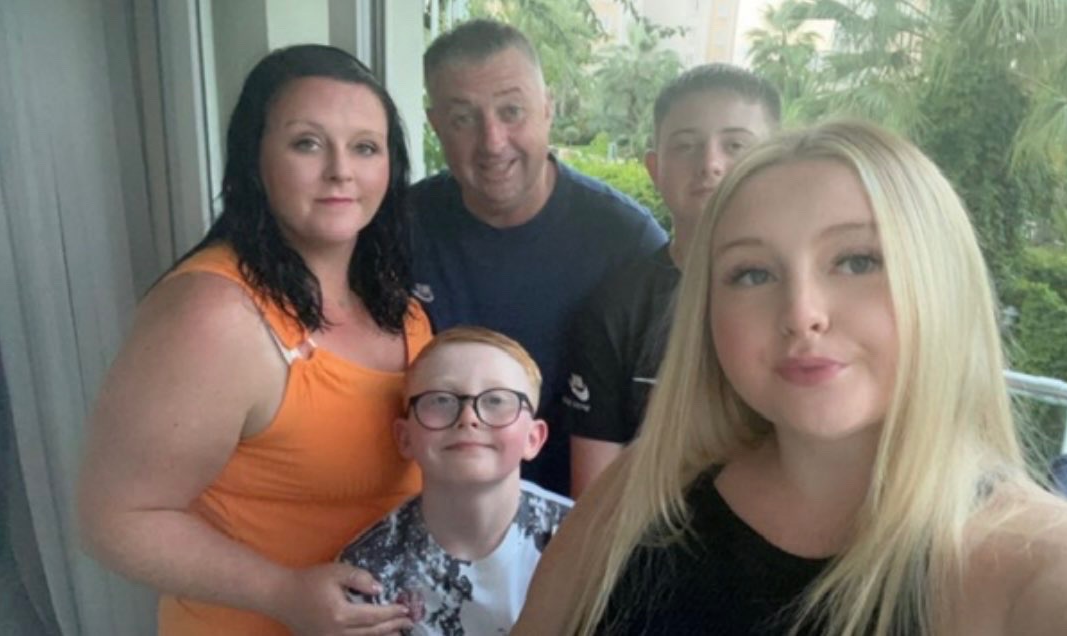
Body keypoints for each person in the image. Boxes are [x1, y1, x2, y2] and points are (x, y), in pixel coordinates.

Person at [513, 120, 1067, 635]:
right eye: (752, 273)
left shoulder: (1030, 567)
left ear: (941, 285)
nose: (801, 313)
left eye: (857, 261)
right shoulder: (642, 494)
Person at [78, 45, 431, 636]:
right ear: (255, 160)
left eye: (365, 147)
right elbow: (112, 519)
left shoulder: (402, 307)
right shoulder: (214, 314)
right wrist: (282, 593)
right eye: (307, 143)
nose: (341, 170)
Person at [410, 19, 668, 496]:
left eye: (512, 111)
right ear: (435, 125)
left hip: (582, 509)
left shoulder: (627, 241)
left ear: (547, 108)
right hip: (430, 507)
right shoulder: (399, 228)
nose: (492, 141)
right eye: (463, 118)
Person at [562, 64, 781, 497]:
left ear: (775, 162)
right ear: (654, 167)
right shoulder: (615, 309)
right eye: (685, 145)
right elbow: (593, 495)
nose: (710, 164)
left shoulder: (806, 300)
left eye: (735, 144)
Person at [339, 326, 572, 635]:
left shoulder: (586, 539)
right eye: (441, 400)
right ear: (405, 438)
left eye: (496, 400)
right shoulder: (369, 570)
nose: (468, 417)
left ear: (534, 438)